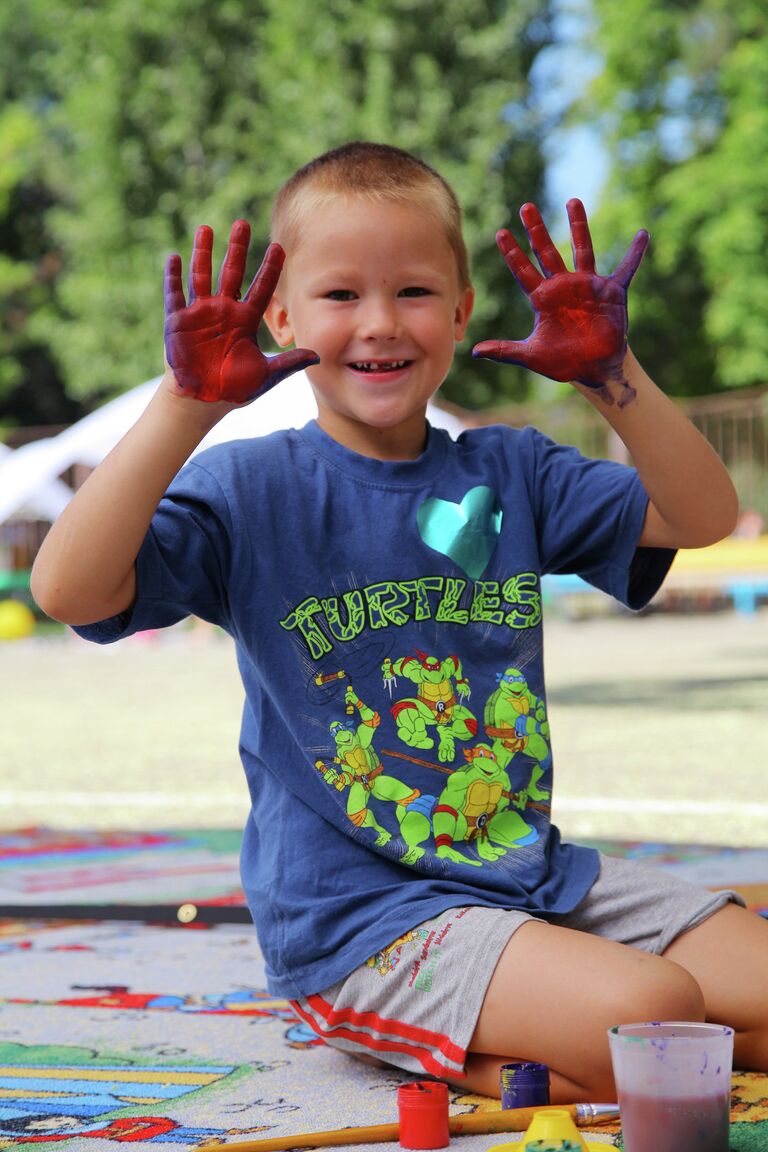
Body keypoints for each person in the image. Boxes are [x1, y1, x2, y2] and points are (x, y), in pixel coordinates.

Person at [31, 141, 768, 1102]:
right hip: (361, 920)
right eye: (340, 296)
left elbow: (704, 516)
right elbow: (68, 591)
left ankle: (564, 1028)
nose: (380, 323)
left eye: (415, 292)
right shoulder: (253, 486)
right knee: (661, 1006)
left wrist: (610, 372)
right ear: (281, 314)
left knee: (696, 1007)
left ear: (462, 310)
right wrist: (186, 403)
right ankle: (435, 1030)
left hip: (529, 876)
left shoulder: (516, 472)